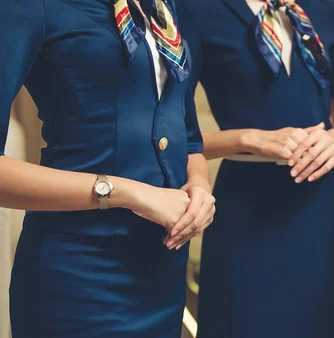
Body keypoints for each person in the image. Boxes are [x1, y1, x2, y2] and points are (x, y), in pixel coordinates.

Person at [2, 0, 216, 337]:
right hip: (78, 277)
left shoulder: (168, 8)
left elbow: (189, 141)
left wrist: (200, 185)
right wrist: (131, 193)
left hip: (162, 275)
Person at [176, 0, 334, 337]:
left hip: (322, 203)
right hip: (248, 205)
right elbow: (174, 132)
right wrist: (247, 138)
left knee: (322, 324)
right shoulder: (196, 10)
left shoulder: (324, 9)